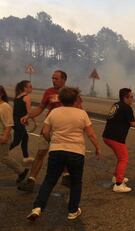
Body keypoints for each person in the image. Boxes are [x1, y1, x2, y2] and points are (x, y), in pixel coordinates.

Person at [27, 87, 100, 222]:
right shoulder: (82, 114)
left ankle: (37, 207)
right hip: (76, 152)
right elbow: (90, 134)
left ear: (60, 99)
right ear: (75, 100)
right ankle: (72, 211)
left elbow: (45, 131)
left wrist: (51, 140)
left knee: (49, 181)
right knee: (76, 182)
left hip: (57, 150)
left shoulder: (54, 112)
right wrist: (97, 147)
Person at [18, 70, 71, 192]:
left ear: (64, 80)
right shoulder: (49, 92)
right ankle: (31, 180)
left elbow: (78, 109)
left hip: (64, 129)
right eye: (52, 78)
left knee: (64, 154)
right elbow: (41, 107)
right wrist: (28, 116)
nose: (53, 80)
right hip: (48, 127)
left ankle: (67, 176)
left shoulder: (70, 93)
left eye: (56, 78)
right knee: (41, 153)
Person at [102, 88, 135, 193]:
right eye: (131, 97)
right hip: (116, 138)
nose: (133, 99)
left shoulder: (116, 105)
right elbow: (132, 123)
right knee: (124, 158)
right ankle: (118, 184)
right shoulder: (127, 108)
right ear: (125, 97)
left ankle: (116, 177)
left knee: (120, 157)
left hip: (107, 136)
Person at [0, 86, 29, 185]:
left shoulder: (5, 106)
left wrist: (5, 136)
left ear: (1, 94)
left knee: (3, 157)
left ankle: (21, 171)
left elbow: (9, 123)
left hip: (3, 135)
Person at [9, 80, 34, 163]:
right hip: (19, 123)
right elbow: (29, 112)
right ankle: (2, 153)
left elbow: (18, 111)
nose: (32, 88)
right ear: (25, 88)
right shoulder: (27, 97)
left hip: (15, 121)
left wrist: (25, 118)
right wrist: (30, 119)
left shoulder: (18, 96)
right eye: (30, 86)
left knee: (25, 138)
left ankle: (26, 157)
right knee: (16, 142)